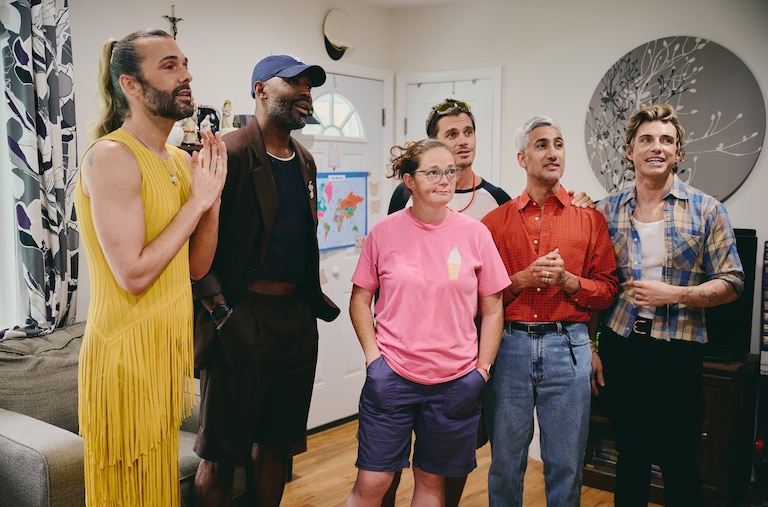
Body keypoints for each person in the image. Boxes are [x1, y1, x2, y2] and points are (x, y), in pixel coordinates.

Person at [74, 28, 226, 506]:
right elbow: (134, 275)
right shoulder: (111, 156)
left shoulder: (180, 162)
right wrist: (196, 202)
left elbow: (196, 268)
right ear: (131, 85)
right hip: (122, 360)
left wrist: (211, 198)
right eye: (169, 66)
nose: (186, 75)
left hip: (166, 360)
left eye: (184, 64)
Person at [192, 54, 340, 507]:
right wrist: (221, 314)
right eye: (293, 83)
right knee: (220, 456)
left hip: (296, 321)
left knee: (277, 445)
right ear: (260, 90)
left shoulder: (306, 162)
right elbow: (193, 240)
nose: (305, 93)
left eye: (309, 87)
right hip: (239, 318)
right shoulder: (229, 152)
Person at [346, 138, 510, 506]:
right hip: (392, 377)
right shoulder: (384, 232)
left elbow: (494, 306)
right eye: (433, 172)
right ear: (410, 180)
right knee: (373, 482)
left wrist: (481, 369)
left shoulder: (475, 234)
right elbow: (360, 299)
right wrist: (375, 360)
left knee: (431, 484)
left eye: (450, 171)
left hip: (454, 382)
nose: (445, 179)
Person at [595, 103, 744, 507]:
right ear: (630, 150)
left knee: (679, 456)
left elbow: (733, 282)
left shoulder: (708, 209)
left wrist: (675, 294)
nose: (656, 147)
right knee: (631, 455)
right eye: (646, 139)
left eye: (666, 140)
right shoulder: (604, 210)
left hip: (679, 349)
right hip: (622, 347)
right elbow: (597, 287)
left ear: (678, 152)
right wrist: (593, 348)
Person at [481, 116, 619, 506]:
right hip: (509, 347)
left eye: (559, 143)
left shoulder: (589, 219)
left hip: (569, 347)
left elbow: (607, 290)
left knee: (566, 463)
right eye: (542, 144)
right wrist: (520, 280)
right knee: (506, 464)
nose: (553, 152)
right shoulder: (494, 223)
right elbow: (482, 296)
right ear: (522, 158)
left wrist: (570, 282)